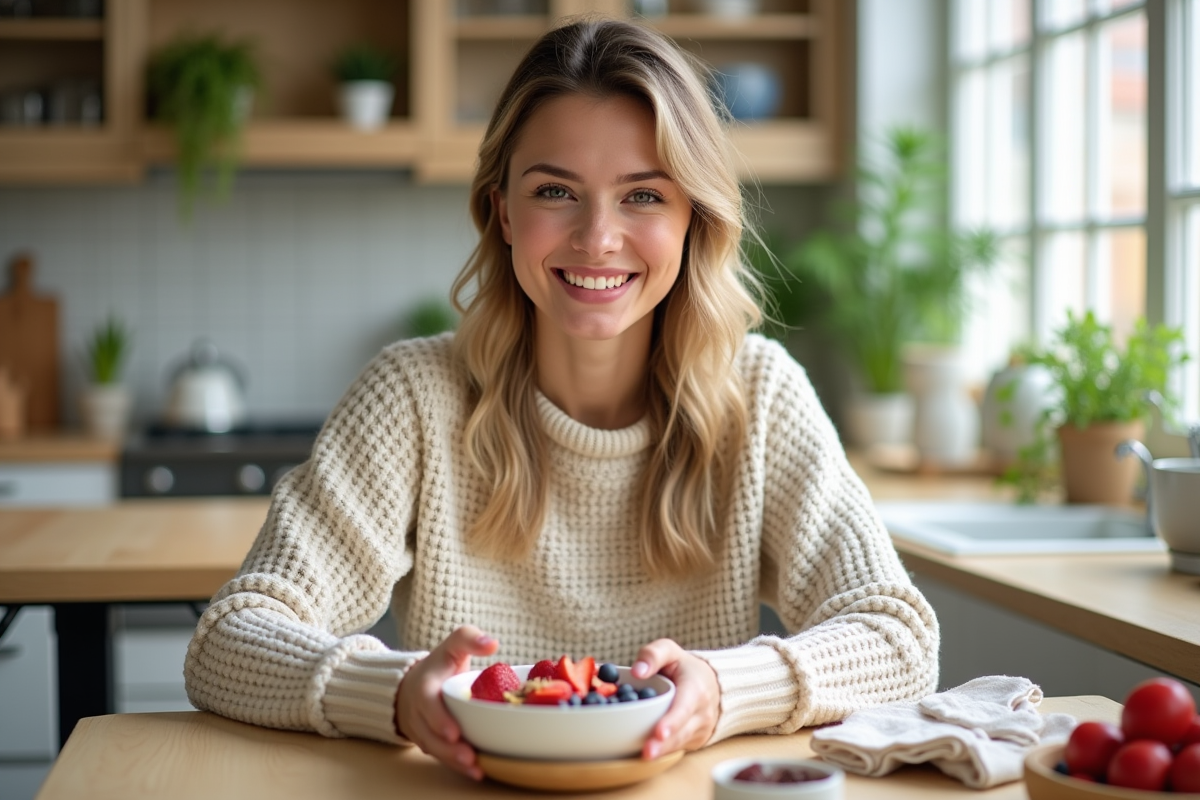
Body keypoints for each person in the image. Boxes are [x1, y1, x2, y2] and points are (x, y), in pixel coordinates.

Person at [183, 15, 939, 783]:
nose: (597, 237)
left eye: (643, 195)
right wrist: (394, 695)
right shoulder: (411, 396)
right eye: (555, 191)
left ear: (693, 220)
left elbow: (899, 640)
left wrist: (722, 689)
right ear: (504, 211)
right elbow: (229, 642)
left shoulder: (760, 395)